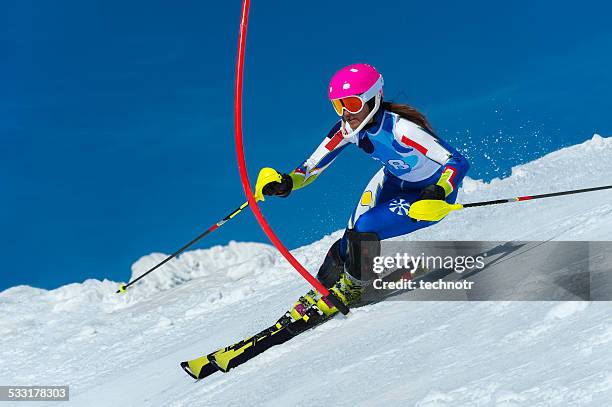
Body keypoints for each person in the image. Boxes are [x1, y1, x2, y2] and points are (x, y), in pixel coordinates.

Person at [262, 63, 470, 317]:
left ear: (374, 99)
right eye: (338, 105)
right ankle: (322, 289)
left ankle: (355, 288)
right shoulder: (346, 131)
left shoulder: (401, 129)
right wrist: (287, 182)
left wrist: (439, 190)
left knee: (367, 225)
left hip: (430, 195)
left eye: (351, 104)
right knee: (351, 236)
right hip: (394, 182)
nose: (345, 113)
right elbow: (311, 167)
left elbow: (456, 161)